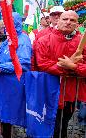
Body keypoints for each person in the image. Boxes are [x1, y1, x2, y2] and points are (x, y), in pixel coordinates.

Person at [34, 10, 86, 138]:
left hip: (70, 94)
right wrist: (64, 66)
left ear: (77, 24)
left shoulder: (82, 42)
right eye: (65, 19)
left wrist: (73, 66)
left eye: (72, 20)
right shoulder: (44, 40)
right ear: (58, 21)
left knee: (62, 125)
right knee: (48, 125)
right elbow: (43, 64)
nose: (68, 22)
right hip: (48, 91)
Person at [0, 12, 32, 138]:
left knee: (8, 117)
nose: (5, 25)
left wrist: (0, 68)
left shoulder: (22, 40)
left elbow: (23, 63)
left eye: (7, 22)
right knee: (5, 117)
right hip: (5, 85)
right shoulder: (11, 38)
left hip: (12, 86)